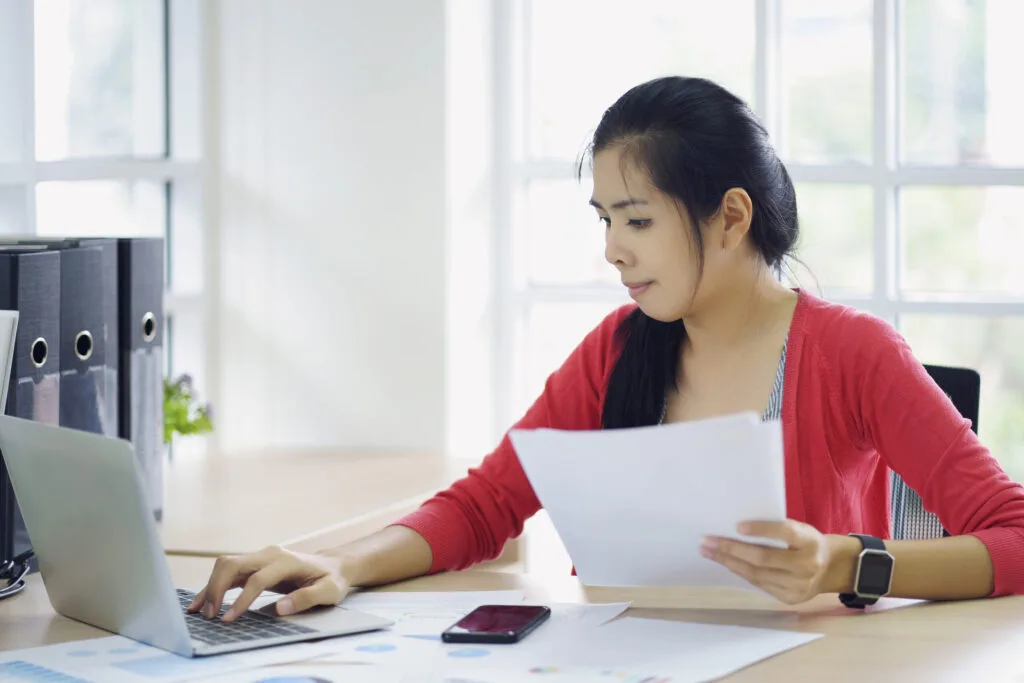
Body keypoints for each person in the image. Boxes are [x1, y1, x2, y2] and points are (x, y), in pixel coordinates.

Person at [189, 76, 1024, 623]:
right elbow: (485, 504)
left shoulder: (852, 354)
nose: (614, 250)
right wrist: (340, 564)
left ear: (731, 218)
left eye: (638, 219)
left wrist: (848, 561)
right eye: (604, 219)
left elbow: (1015, 534)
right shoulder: (619, 349)